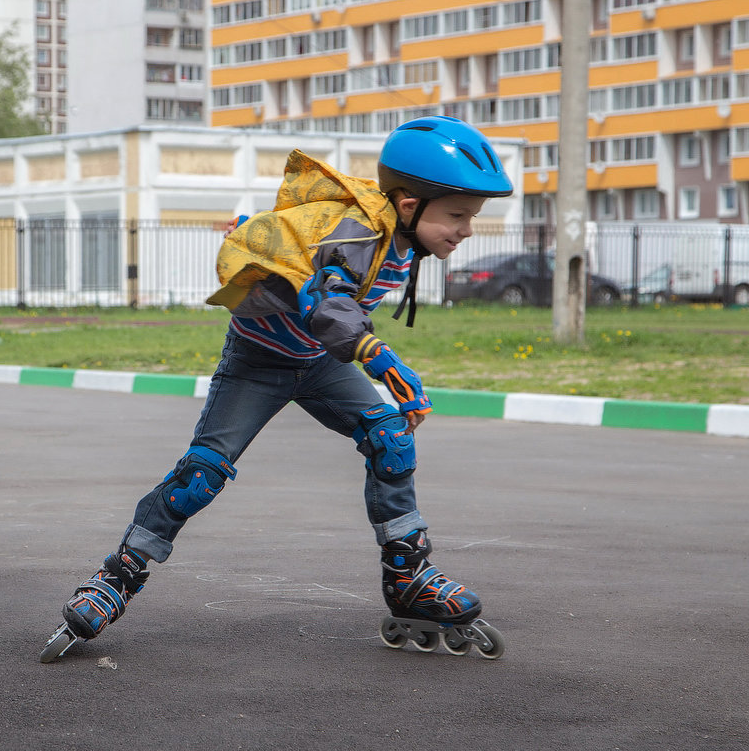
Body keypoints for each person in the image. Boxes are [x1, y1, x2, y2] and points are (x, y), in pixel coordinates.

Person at [42, 116, 513, 660]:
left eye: (472, 217)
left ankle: (408, 578)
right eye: (458, 215)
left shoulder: (400, 239)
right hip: (257, 363)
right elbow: (332, 311)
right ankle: (115, 579)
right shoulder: (360, 234)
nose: (467, 229)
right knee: (202, 474)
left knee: (391, 437)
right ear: (409, 204)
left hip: (317, 365)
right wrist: (384, 363)